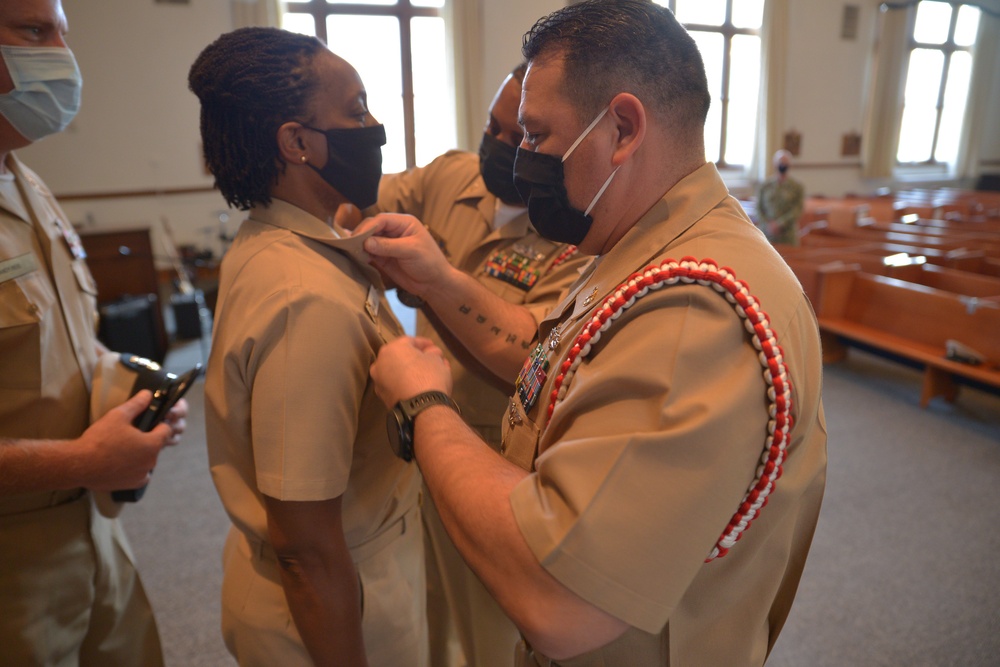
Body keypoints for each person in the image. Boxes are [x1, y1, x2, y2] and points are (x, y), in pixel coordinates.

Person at [359, 1, 828, 665]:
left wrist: (424, 404)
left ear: (623, 129)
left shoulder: (694, 306)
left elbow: (562, 599)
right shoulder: (637, 243)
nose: (520, 157)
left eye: (537, 134)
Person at [190, 27, 426, 667]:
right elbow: (306, 546)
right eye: (355, 110)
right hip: (338, 596)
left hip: (338, 571)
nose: (373, 126)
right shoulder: (306, 298)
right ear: (296, 142)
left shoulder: (279, 240)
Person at [370, 63, 590, 667]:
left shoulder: (580, 231)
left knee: (492, 626)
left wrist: (439, 282)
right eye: (492, 126)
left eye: (518, 135)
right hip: (423, 426)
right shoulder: (452, 175)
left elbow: (533, 356)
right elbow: (361, 198)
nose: (494, 145)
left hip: (502, 455)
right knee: (432, 602)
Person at [0, 1, 187, 664]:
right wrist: (82, 460)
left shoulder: (26, 183)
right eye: (32, 31)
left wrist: (129, 393)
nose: (60, 54)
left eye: (61, 33)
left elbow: (60, 346)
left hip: (93, 525)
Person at [756, 148, 805, 245]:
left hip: (787, 236)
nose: (782, 165)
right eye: (780, 162)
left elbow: (797, 209)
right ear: (774, 164)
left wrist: (780, 224)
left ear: (790, 165)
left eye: (785, 162)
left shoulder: (797, 187)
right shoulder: (765, 186)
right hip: (766, 234)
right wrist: (768, 225)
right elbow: (759, 208)